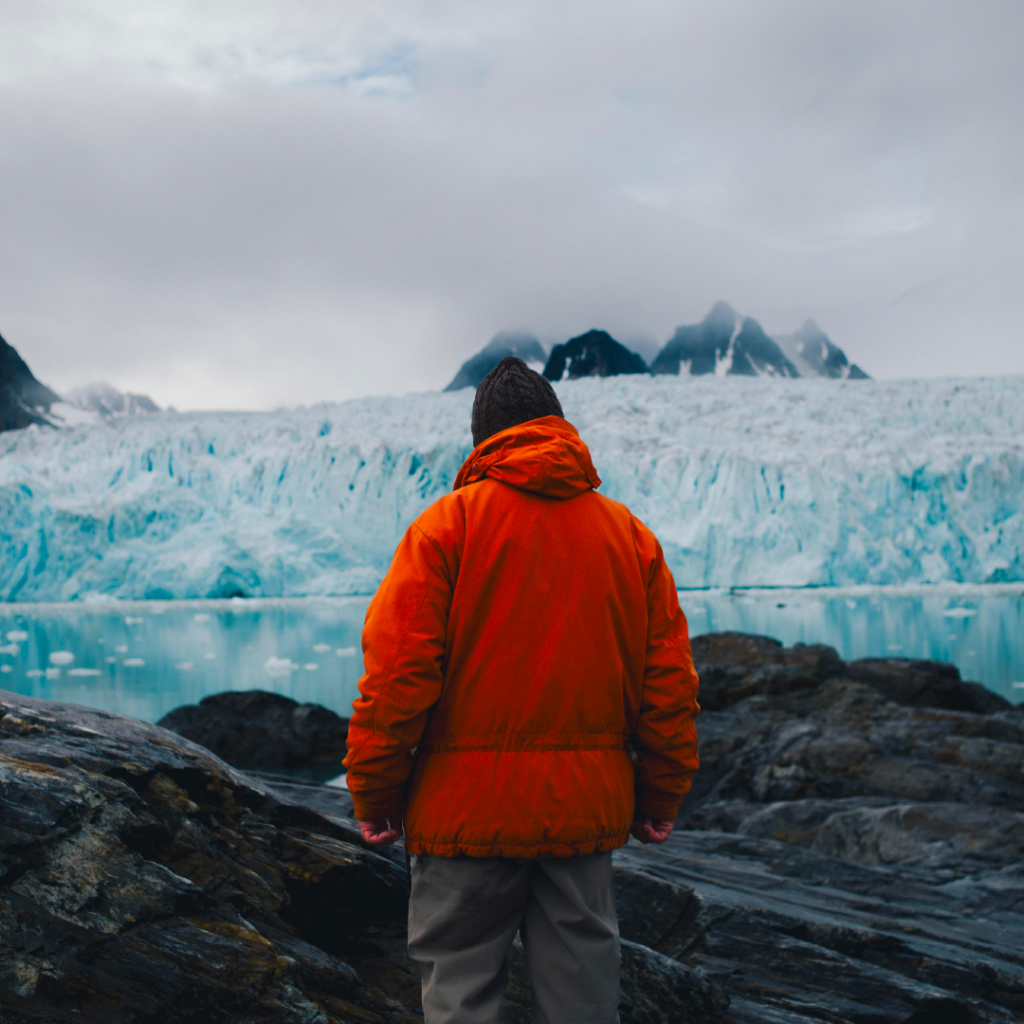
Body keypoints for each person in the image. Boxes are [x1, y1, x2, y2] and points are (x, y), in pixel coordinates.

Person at [343, 356, 700, 1024]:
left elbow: (396, 679)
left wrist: (375, 791)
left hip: (462, 820)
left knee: (461, 993)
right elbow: (669, 685)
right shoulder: (629, 538)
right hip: (582, 817)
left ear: (483, 441)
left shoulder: (444, 529)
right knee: (584, 999)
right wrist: (662, 790)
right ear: (559, 429)